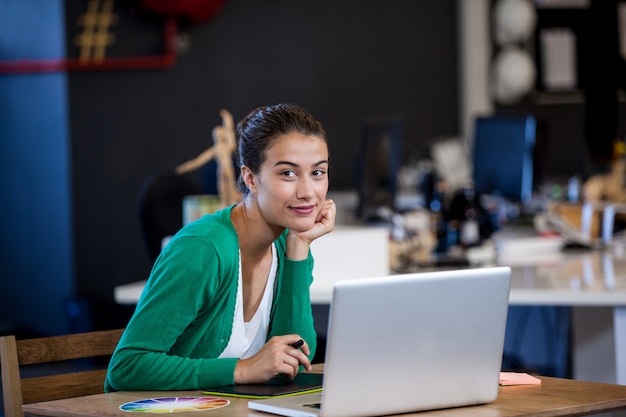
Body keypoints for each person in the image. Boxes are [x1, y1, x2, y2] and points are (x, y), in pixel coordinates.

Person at [105, 103, 336, 391]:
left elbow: (296, 358)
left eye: (318, 173)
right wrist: (242, 369)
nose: (307, 192)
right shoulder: (203, 249)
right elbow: (126, 368)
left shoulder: (287, 243)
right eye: (288, 173)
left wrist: (299, 246)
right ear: (251, 178)